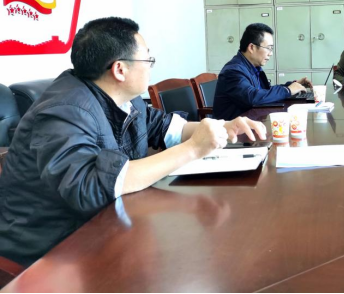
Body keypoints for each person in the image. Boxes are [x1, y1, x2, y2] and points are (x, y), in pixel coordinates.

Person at [0, 17, 265, 267]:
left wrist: (224, 127)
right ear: (120, 69)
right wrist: (193, 148)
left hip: (109, 225)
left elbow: (163, 127)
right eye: (147, 59)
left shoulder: (124, 98)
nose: (150, 66)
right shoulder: (65, 111)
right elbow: (88, 187)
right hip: (52, 251)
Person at [213, 23, 312, 121]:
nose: (271, 53)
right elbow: (252, 97)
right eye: (268, 48)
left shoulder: (253, 67)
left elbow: (264, 92)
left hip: (251, 122)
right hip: (233, 128)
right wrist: (287, 90)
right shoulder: (233, 71)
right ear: (252, 47)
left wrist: (292, 85)